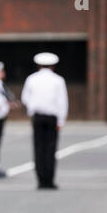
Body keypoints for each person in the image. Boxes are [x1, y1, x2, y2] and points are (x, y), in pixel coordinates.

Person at [21, 52, 68, 190]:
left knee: (38, 148)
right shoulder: (58, 80)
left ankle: (41, 180)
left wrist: (32, 109)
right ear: (53, 66)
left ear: (38, 65)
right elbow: (62, 102)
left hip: (37, 116)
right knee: (51, 149)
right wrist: (61, 121)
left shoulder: (31, 79)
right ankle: (49, 180)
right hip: (52, 117)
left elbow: (25, 98)